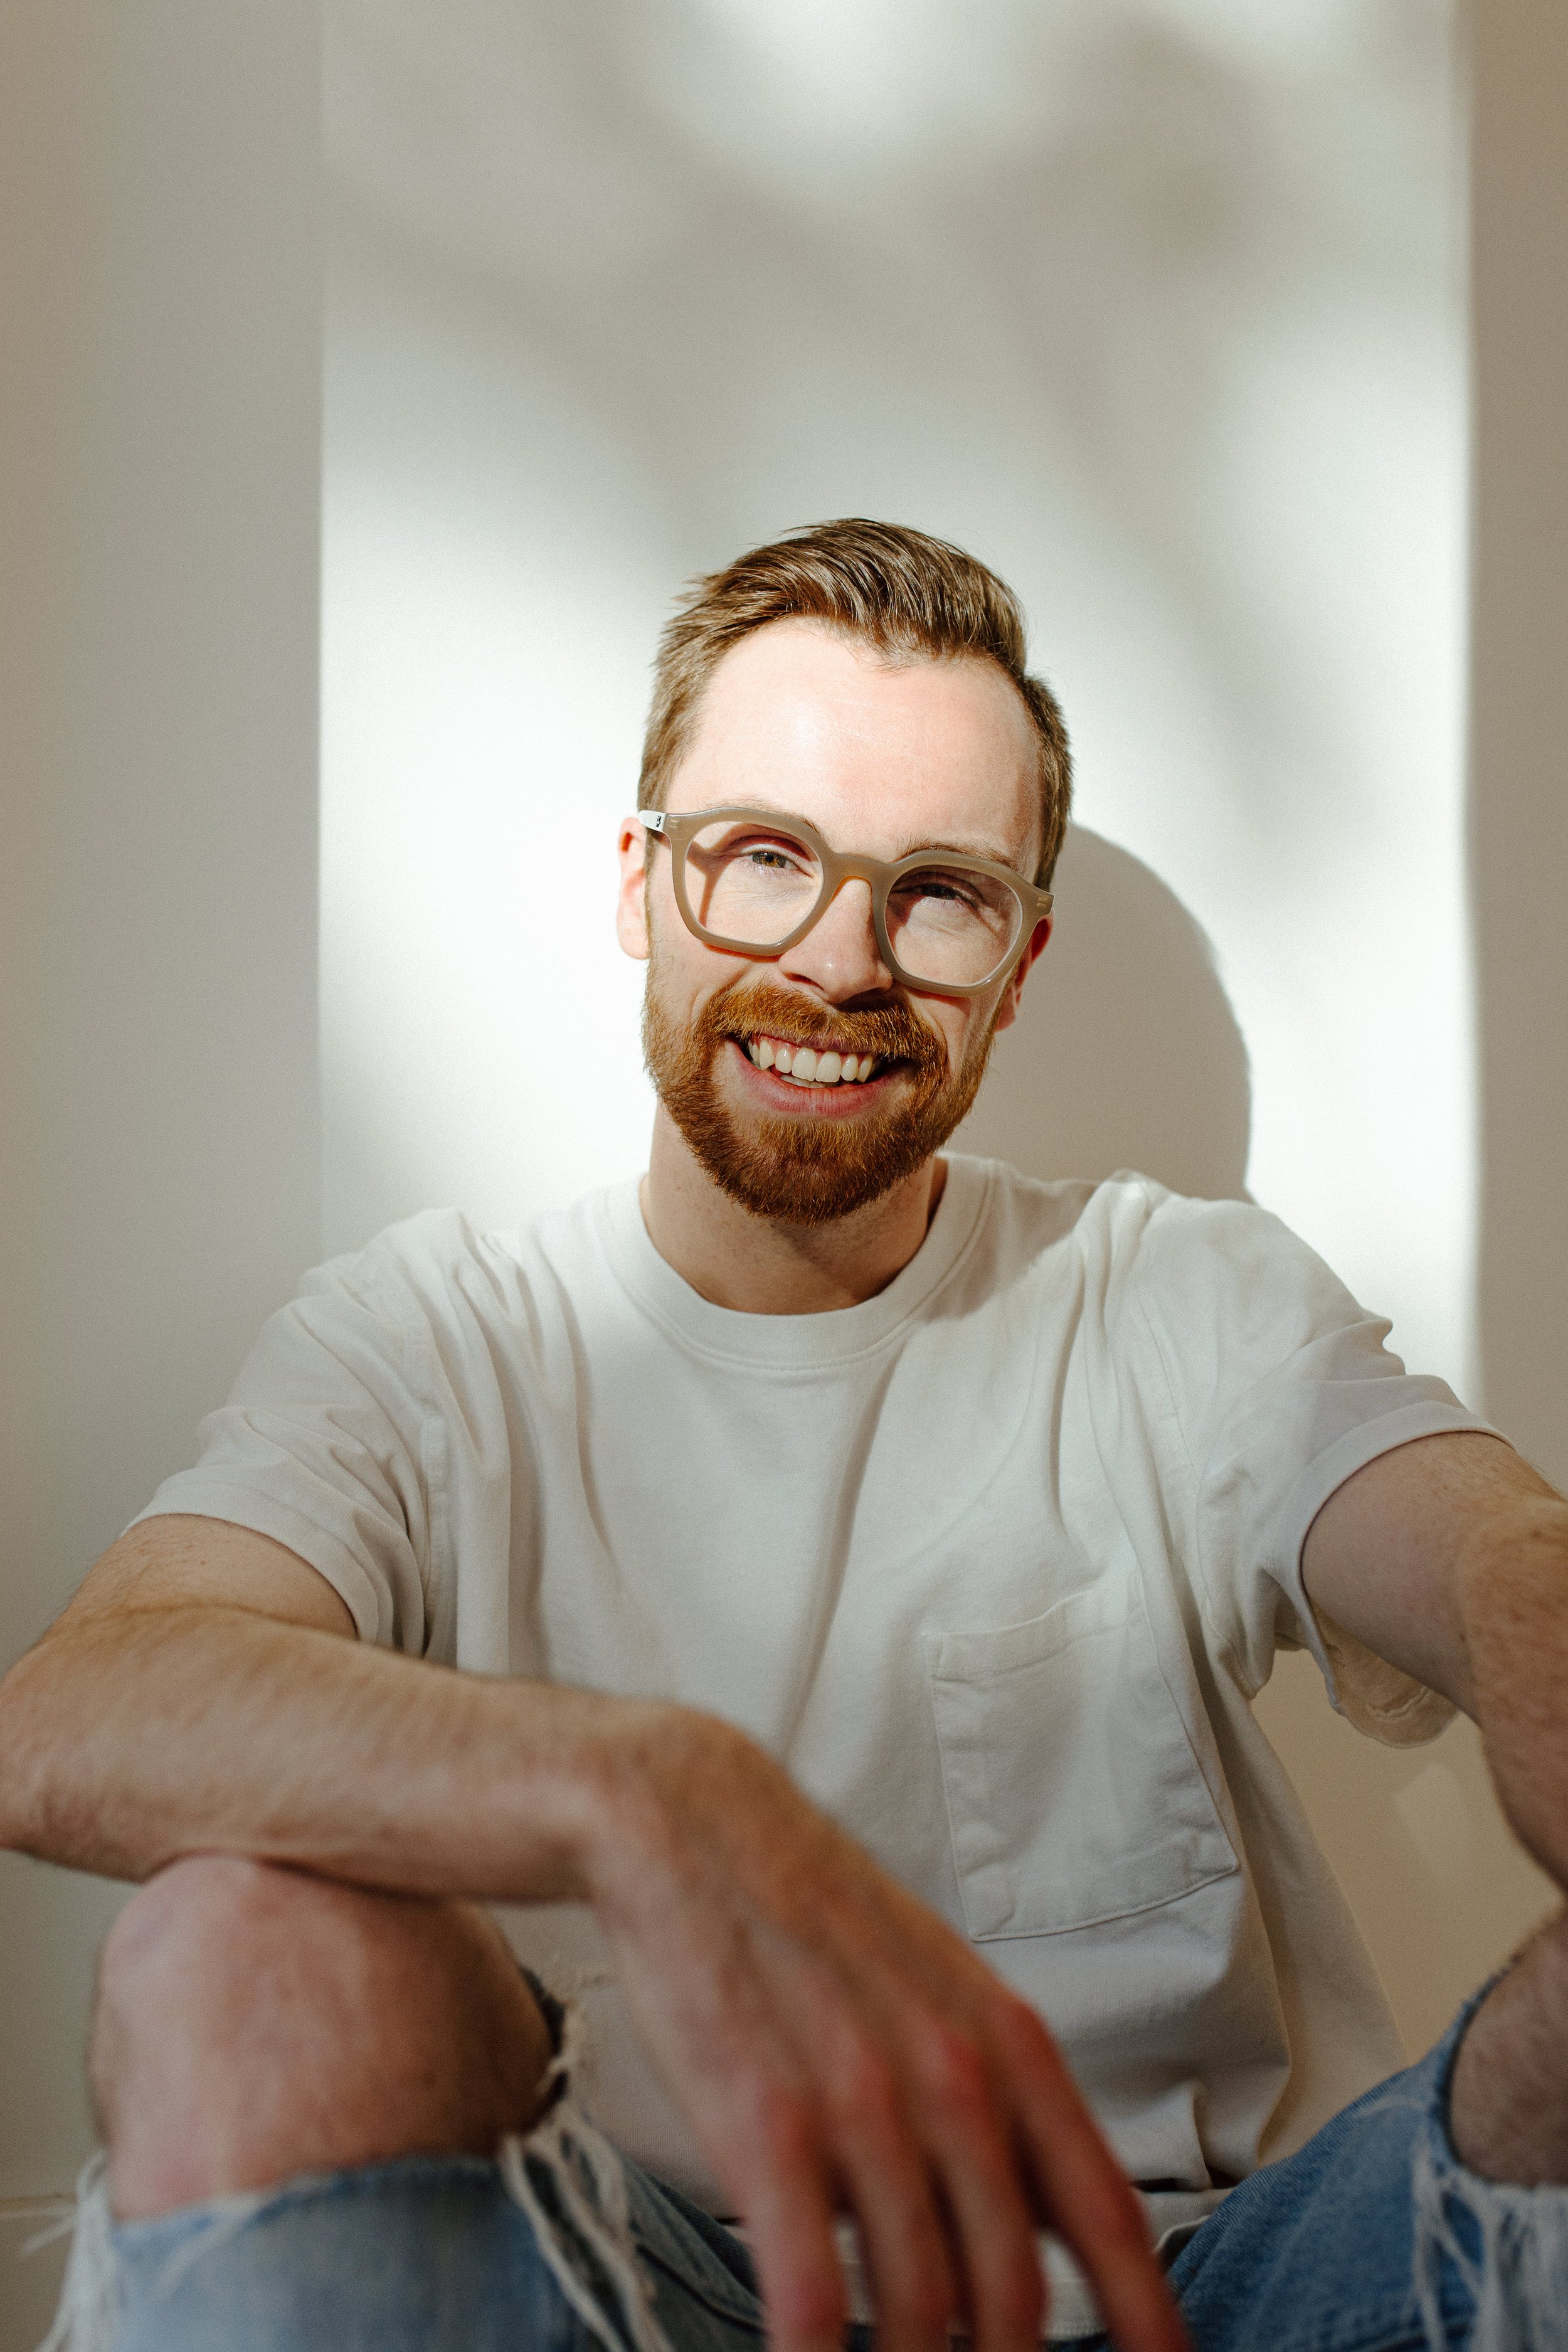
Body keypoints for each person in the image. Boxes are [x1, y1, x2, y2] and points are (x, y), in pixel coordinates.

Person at [3, 519, 1566, 2352]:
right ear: (634, 885)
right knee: (239, 1949)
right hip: (628, 2290)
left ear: (1017, 956)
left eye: (937, 892)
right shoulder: (429, 1343)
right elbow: (76, 1711)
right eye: (764, 859)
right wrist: (648, 1791)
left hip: (1196, 2294)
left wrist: (1527, 1614)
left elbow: (1487, 1555)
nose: (839, 963)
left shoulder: (1172, 1297)